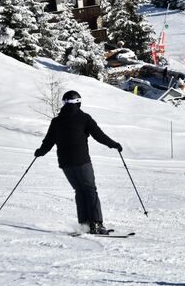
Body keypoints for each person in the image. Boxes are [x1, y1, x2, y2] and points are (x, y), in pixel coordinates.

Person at [34, 91, 122, 235]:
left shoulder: (56, 121)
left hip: (65, 163)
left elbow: (48, 141)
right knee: (90, 190)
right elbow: (99, 136)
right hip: (81, 161)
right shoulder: (84, 118)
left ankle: (85, 224)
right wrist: (115, 145)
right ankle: (96, 224)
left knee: (80, 191)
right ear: (78, 103)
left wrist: (40, 152)